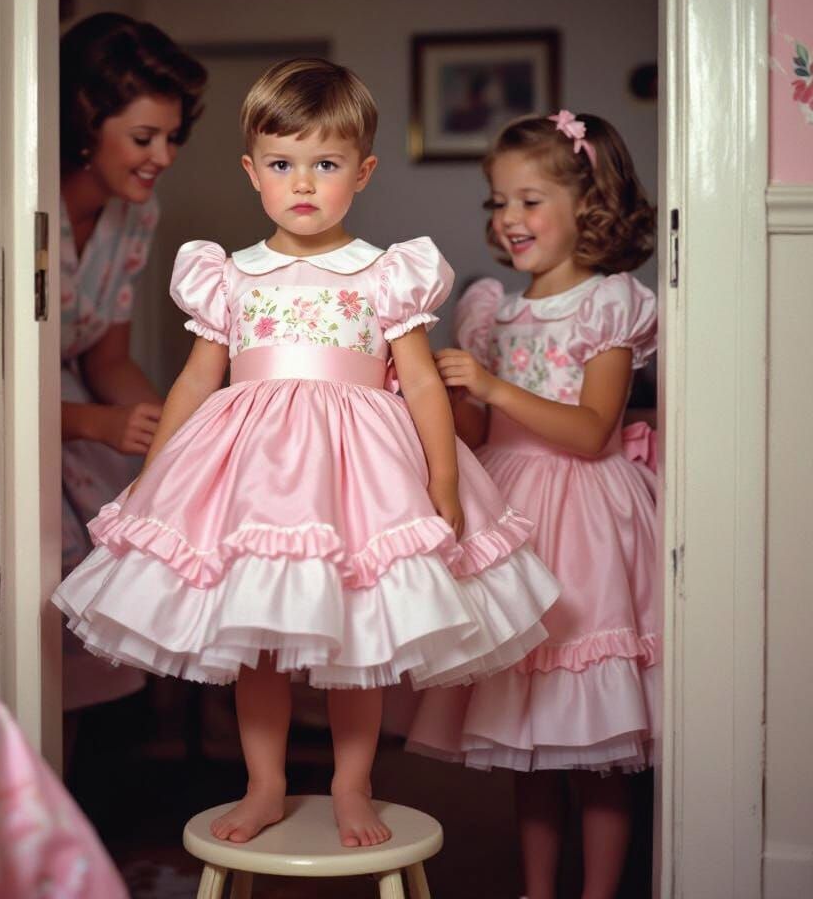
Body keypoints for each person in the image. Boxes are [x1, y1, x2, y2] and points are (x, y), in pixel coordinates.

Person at [52, 58, 560, 849]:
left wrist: (447, 480)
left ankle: (352, 786)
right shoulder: (229, 274)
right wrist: (153, 477)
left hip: (361, 481)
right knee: (259, 647)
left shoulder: (386, 273)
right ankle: (264, 785)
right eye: (283, 165)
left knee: (356, 648)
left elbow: (423, 386)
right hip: (255, 485)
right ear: (253, 172)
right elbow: (195, 383)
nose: (303, 183)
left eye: (325, 165)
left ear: (361, 172)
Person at [407, 111, 658, 899]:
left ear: (588, 201)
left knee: (596, 737)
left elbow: (591, 432)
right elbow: (484, 430)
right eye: (496, 203)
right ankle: (537, 890)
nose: (508, 220)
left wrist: (488, 383)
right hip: (512, 508)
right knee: (527, 730)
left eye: (528, 200)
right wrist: (434, 393)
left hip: (583, 513)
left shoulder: (610, 304)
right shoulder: (495, 311)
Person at [59, 12, 206, 713]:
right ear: (88, 123)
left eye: (172, 137)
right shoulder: (16, 208)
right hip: (20, 420)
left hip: (80, 411)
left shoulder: (135, 215)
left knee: (160, 512)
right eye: (145, 137)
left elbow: (109, 357)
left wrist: (175, 430)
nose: (165, 156)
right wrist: (94, 421)